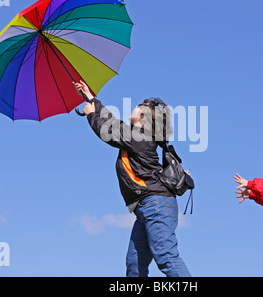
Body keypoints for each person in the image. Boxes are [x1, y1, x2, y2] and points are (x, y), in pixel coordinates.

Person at [74, 80, 191, 277]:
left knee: (166, 257)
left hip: (156, 205)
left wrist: (91, 114)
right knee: (135, 265)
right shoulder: (136, 135)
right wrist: (91, 98)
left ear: (144, 117)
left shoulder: (141, 137)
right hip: (147, 208)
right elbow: (111, 122)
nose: (134, 107)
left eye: (138, 106)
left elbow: (107, 131)